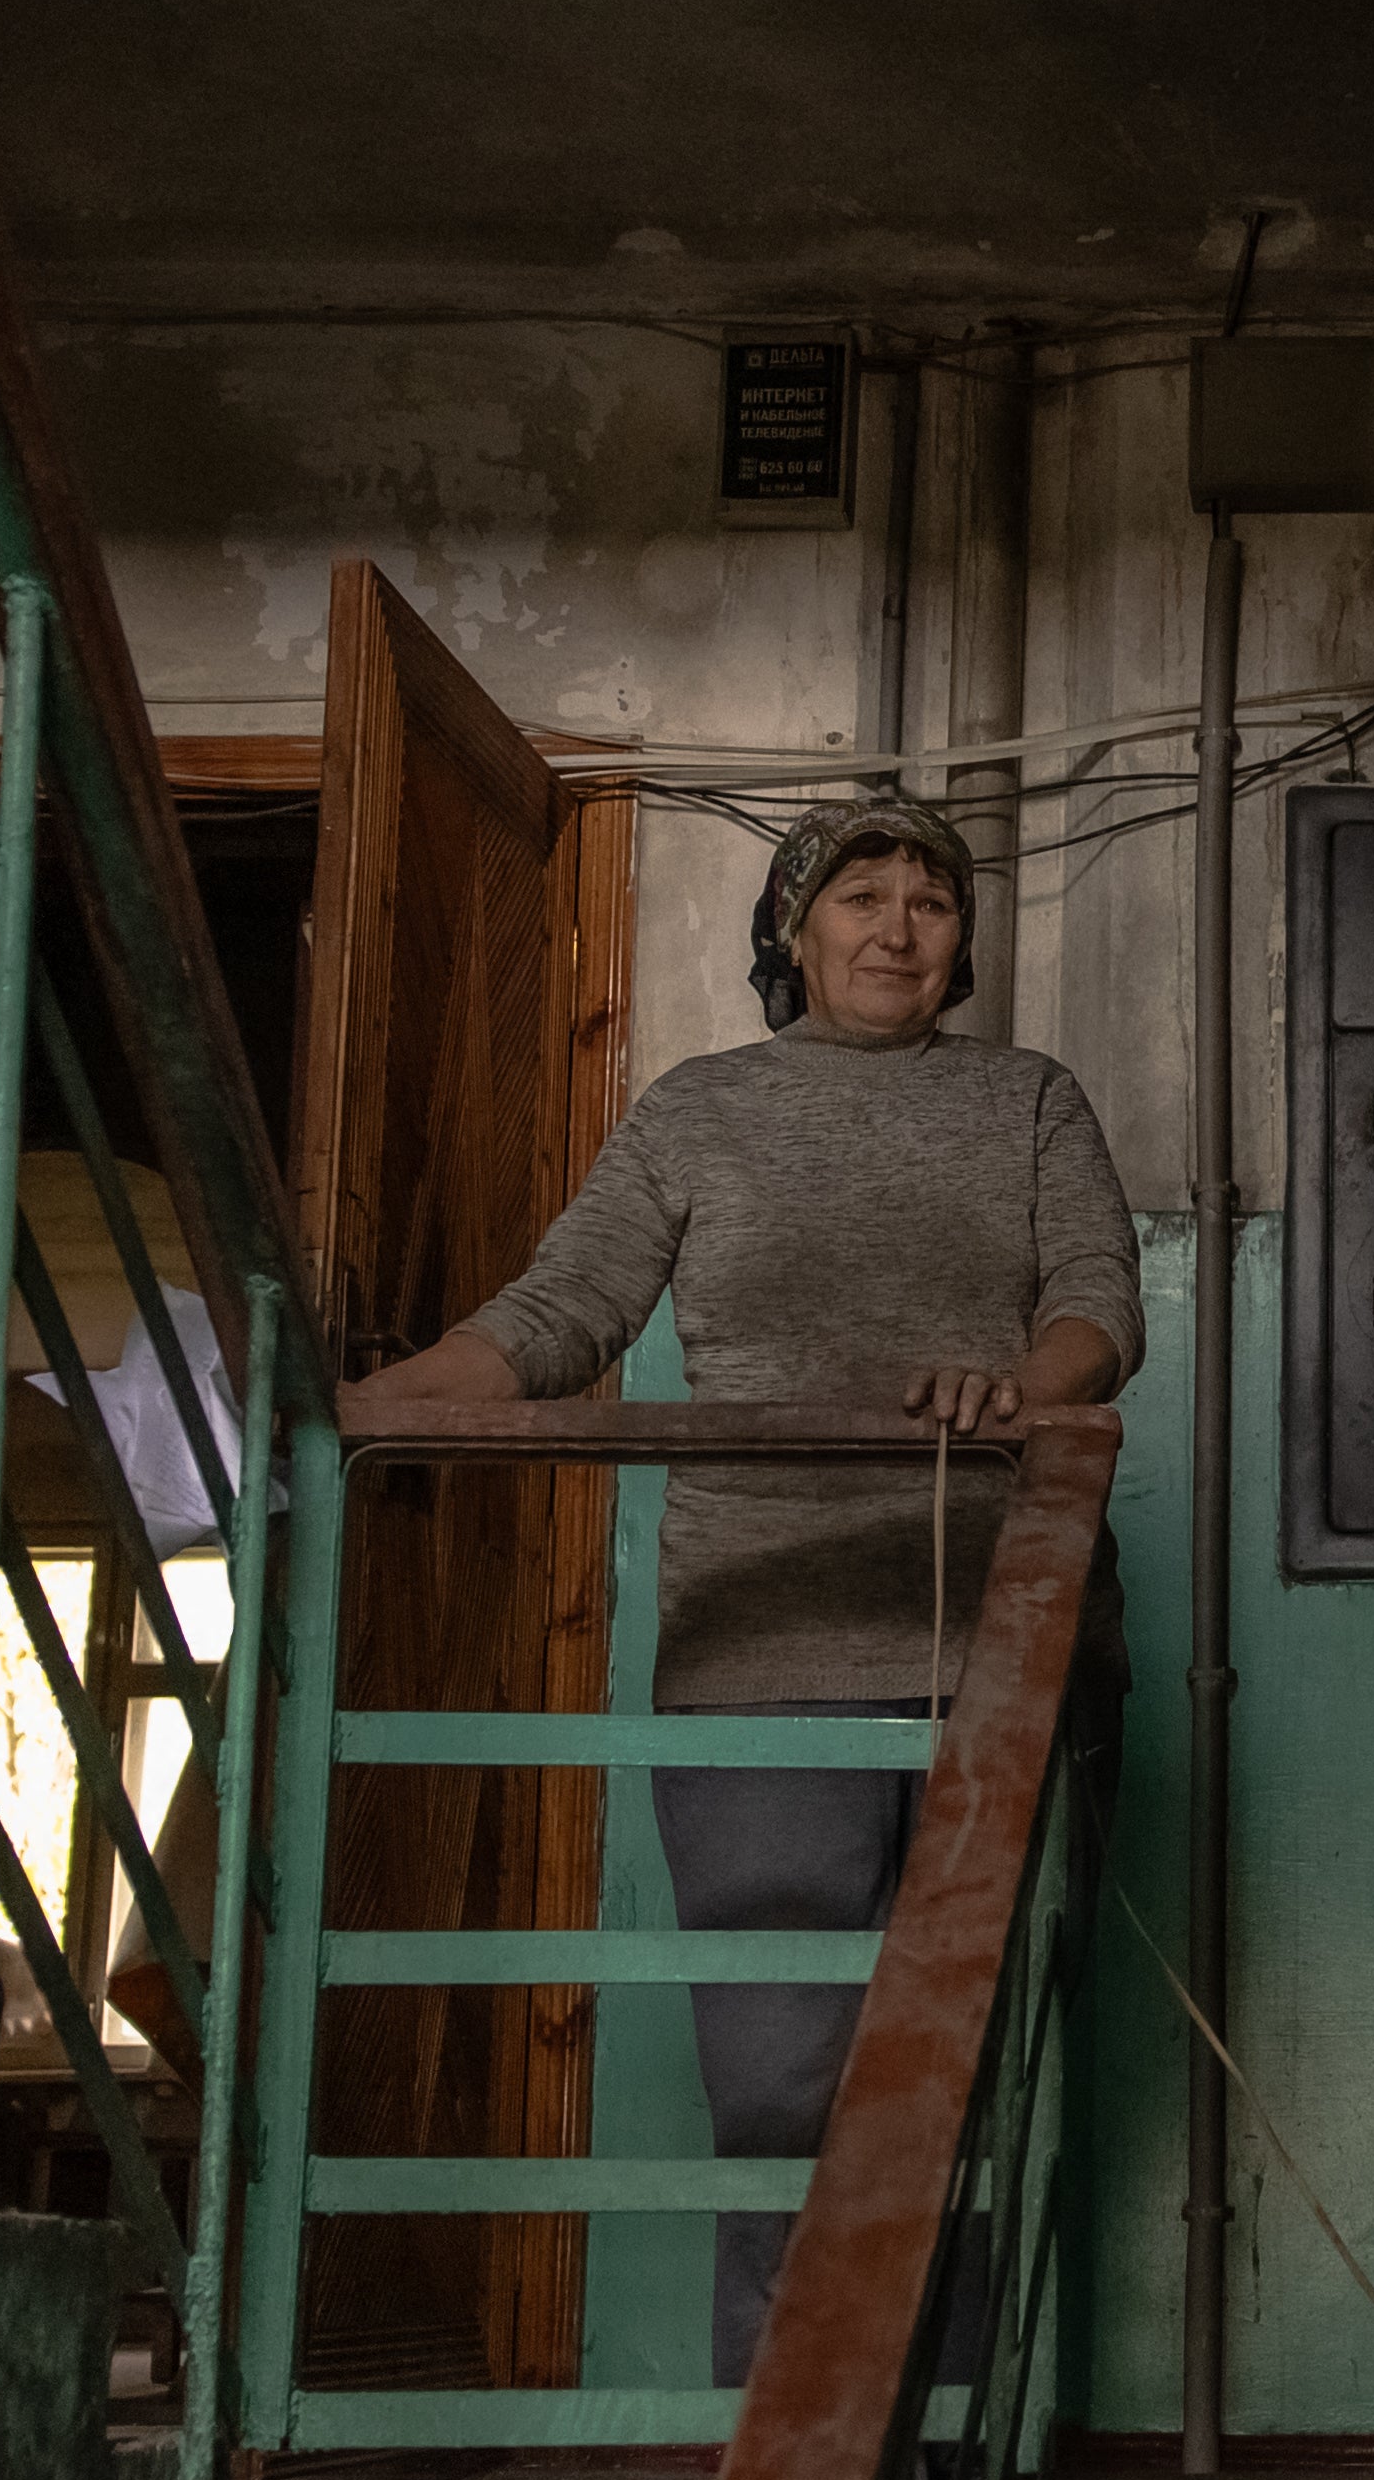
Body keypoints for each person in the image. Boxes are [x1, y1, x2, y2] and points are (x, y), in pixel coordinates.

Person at [346, 794, 1136, 2393]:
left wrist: (1017, 1380)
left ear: (962, 944)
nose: (899, 924)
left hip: (996, 1641)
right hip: (756, 1655)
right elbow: (567, 1307)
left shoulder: (1031, 1100)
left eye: (931, 900)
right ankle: (777, 2473)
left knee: (957, 2082)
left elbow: (1097, 1305)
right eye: (861, 895)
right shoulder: (698, 1114)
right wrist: (383, 1405)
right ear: (793, 930)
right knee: (779, 2084)